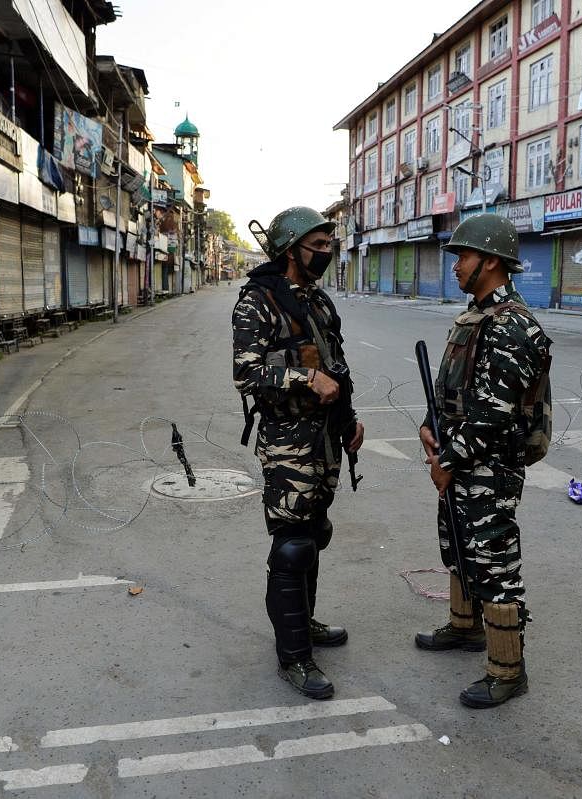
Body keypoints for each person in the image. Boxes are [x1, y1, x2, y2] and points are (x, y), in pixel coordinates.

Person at [415, 213, 552, 709]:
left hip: (489, 467)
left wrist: (447, 459)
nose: (456, 266)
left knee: (493, 561)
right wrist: (432, 428)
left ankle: (507, 670)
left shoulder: (512, 326)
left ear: (491, 261)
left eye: (464, 257)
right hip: (461, 460)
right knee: (457, 542)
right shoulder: (475, 316)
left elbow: (494, 416)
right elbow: (459, 393)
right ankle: (464, 627)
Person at [233, 206, 365, 700]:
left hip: (326, 438)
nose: (327, 254)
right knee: (291, 545)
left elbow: (339, 366)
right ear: (291, 250)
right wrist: (304, 378)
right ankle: (294, 658)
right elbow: (247, 373)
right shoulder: (258, 301)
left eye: (330, 247)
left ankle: (303, 624)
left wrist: (350, 422)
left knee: (314, 534)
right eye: (318, 247)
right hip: (289, 441)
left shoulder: (320, 303)